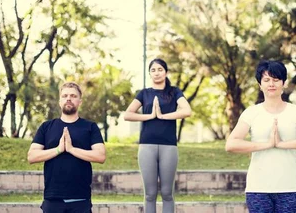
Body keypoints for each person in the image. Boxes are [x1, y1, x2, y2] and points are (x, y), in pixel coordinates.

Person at [226, 60, 296, 213]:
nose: (271, 84)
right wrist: (267, 144)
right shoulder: (251, 113)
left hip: (289, 187)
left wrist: (281, 144)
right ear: (260, 85)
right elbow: (231, 144)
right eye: (266, 80)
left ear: (284, 83)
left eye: (276, 79)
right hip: (258, 188)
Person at [123, 58, 192, 213]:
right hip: (147, 146)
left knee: (167, 193)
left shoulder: (174, 92)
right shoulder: (144, 94)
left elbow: (187, 111)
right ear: (149, 73)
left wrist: (163, 116)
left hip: (169, 146)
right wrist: (150, 116)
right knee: (150, 194)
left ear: (166, 72)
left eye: (160, 69)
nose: (157, 73)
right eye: (153, 70)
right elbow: (127, 115)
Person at [28, 82, 106, 213]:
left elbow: (100, 156)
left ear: (80, 101)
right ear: (60, 101)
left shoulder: (90, 127)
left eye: (73, 96)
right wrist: (58, 149)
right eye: (64, 96)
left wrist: (71, 149)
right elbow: (31, 156)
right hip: (52, 200)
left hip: (80, 200)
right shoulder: (46, 127)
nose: (68, 98)